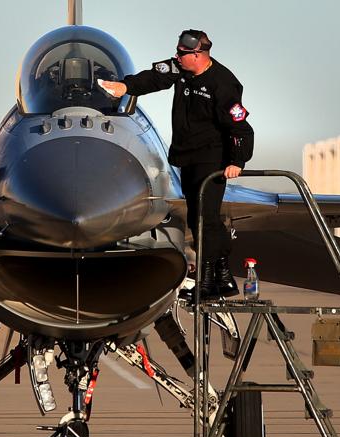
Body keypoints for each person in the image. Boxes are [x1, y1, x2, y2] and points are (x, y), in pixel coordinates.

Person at [99, 29, 254, 300]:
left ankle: (206, 282)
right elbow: (156, 77)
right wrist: (126, 87)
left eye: (182, 54)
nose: (177, 57)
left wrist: (237, 161)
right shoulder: (181, 68)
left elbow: (240, 127)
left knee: (204, 219)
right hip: (189, 156)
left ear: (198, 55)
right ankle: (224, 278)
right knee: (199, 217)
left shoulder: (223, 83)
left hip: (212, 158)